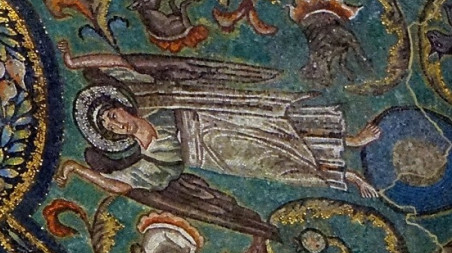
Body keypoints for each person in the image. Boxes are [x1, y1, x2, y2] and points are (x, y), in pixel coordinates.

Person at [53, 40, 382, 199]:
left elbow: (124, 64)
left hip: (215, 115)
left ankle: (349, 140)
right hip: (222, 154)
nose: (116, 124)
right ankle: (348, 175)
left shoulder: (151, 102)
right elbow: (121, 185)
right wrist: (78, 171)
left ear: (122, 107)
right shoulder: (152, 159)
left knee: (277, 124)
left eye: (112, 115)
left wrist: (74, 62)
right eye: (109, 127)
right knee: (282, 165)